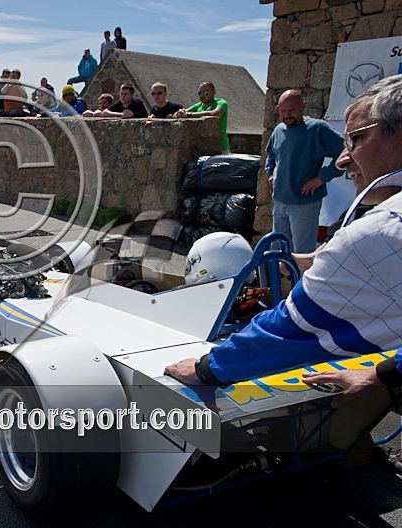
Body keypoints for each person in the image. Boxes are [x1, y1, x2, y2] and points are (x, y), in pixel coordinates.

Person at [164, 74, 402, 399]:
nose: (346, 157)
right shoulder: (279, 132)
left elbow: (291, 329)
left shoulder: (380, 228)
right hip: (284, 201)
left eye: (357, 140)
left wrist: (207, 368)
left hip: (305, 203)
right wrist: (386, 371)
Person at [264, 90, 345, 254]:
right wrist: (271, 173)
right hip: (280, 202)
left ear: (303, 106)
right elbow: (271, 154)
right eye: (283, 111)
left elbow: (344, 153)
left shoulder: (317, 129)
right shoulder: (279, 130)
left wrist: (321, 178)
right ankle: (285, 281)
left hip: (304, 204)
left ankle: (301, 281)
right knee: (279, 251)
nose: (287, 115)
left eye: (292, 110)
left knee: (302, 254)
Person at [174, 82, 231, 153]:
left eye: (206, 92)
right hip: (203, 148)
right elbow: (178, 114)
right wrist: (179, 113)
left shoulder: (221, 102)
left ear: (213, 92)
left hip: (221, 148)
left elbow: (215, 113)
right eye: (199, 93)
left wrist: (189, 115)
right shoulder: (198, 105)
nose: (202, 95)